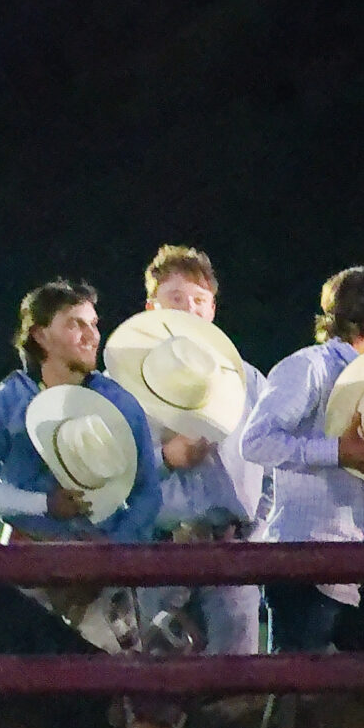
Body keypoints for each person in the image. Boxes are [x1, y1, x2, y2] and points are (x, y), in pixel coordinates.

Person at [240, 265, 364, 653]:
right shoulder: (308, 367)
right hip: (305, 567)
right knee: (297, 696)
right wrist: (336, 449)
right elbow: (256, 441)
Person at [113, 246, 268, 653]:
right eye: (176, 298)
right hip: (157, 555)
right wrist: (164, 458)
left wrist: (256, 539)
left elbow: (274, 470)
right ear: (152, 307)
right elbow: (107, 471)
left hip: (231, 559)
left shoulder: (248, 380)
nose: (190, 309)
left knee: (237, 694)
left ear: (213, 309)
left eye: (199, 300)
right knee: (154, 691)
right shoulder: (123, 384)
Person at [0, 279, 162, 546]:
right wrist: (44, 504)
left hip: (106, 571)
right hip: (26, 567)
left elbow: (147, 493)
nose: (91, 335)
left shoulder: (120, 402)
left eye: (93, 324)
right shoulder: (4, 403)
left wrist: (111, 551)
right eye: (75, 324)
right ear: (40, 336)